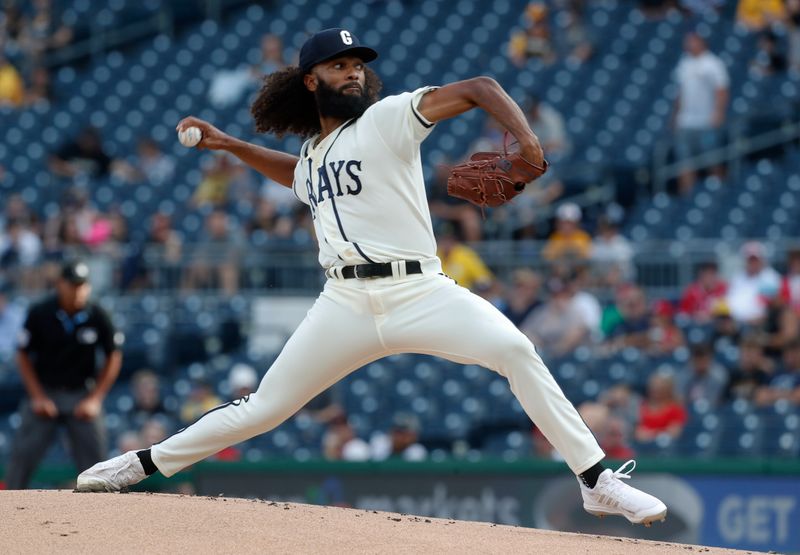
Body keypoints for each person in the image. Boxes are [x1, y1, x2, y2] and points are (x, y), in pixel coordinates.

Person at [77, 27, 667, 526]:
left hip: (420, 291)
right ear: (312, 80)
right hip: (346, 302)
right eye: (339, 65)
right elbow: (300, 175)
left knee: (516, 349)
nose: (354, 73)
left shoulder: (390, 119)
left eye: (358, 65)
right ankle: (143, 464)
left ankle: (596, 480)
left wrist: (530, 144)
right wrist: (232, 145)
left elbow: (481, 89)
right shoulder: (313, 152)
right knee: (263, 407)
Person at [5, 260, 123, 488]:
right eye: (72, 284)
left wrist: (95, 399)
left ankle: (104, 514)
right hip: (46, 393)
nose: (78, 290)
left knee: (97, 465)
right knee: (21, 457)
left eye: (82, 285)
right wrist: (37, 396)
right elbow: (22, 355)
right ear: (60, 284)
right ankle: (8, 509)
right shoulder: (41, 312)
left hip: (81, 394)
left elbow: (114, 356)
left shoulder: (97, 314)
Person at [672, 32, 729, 195]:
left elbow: (722, 90)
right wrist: (675, 116)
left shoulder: (713, 63)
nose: (689, 45)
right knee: (684, 161)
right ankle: (686, 198)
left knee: (713, 159)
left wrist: (718, 113)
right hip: (686, 121)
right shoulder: (685, 63)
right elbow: (680, 93)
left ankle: (720, 192)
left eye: (693, 42)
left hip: (706, 121)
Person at [726, 241, 781, 324]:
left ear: (762, 259)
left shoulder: (771, 277)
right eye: (750, 260)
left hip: (761, 323)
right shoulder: (738, 277)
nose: (752, 263)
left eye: (755, 259)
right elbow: (730, 300)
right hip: (734, 321)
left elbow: (771, 305)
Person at [635, 374, 688, 444]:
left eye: (660, 387)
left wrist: (650, 433)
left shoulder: (676, 408)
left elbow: (674, 433)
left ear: (667, 389)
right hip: (643, 449)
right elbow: (639, 434)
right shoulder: (641, 406)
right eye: (654, 386)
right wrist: (662, 431)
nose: (656, 389)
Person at [677, 342, 729, 407]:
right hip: (689, 410)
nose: (700, 365)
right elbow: (680, 399)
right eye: (697, 361)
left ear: (709, 360)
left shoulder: (718, 375)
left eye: (703, 361)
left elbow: (716, 401)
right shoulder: (685, 374)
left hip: (712, 410)